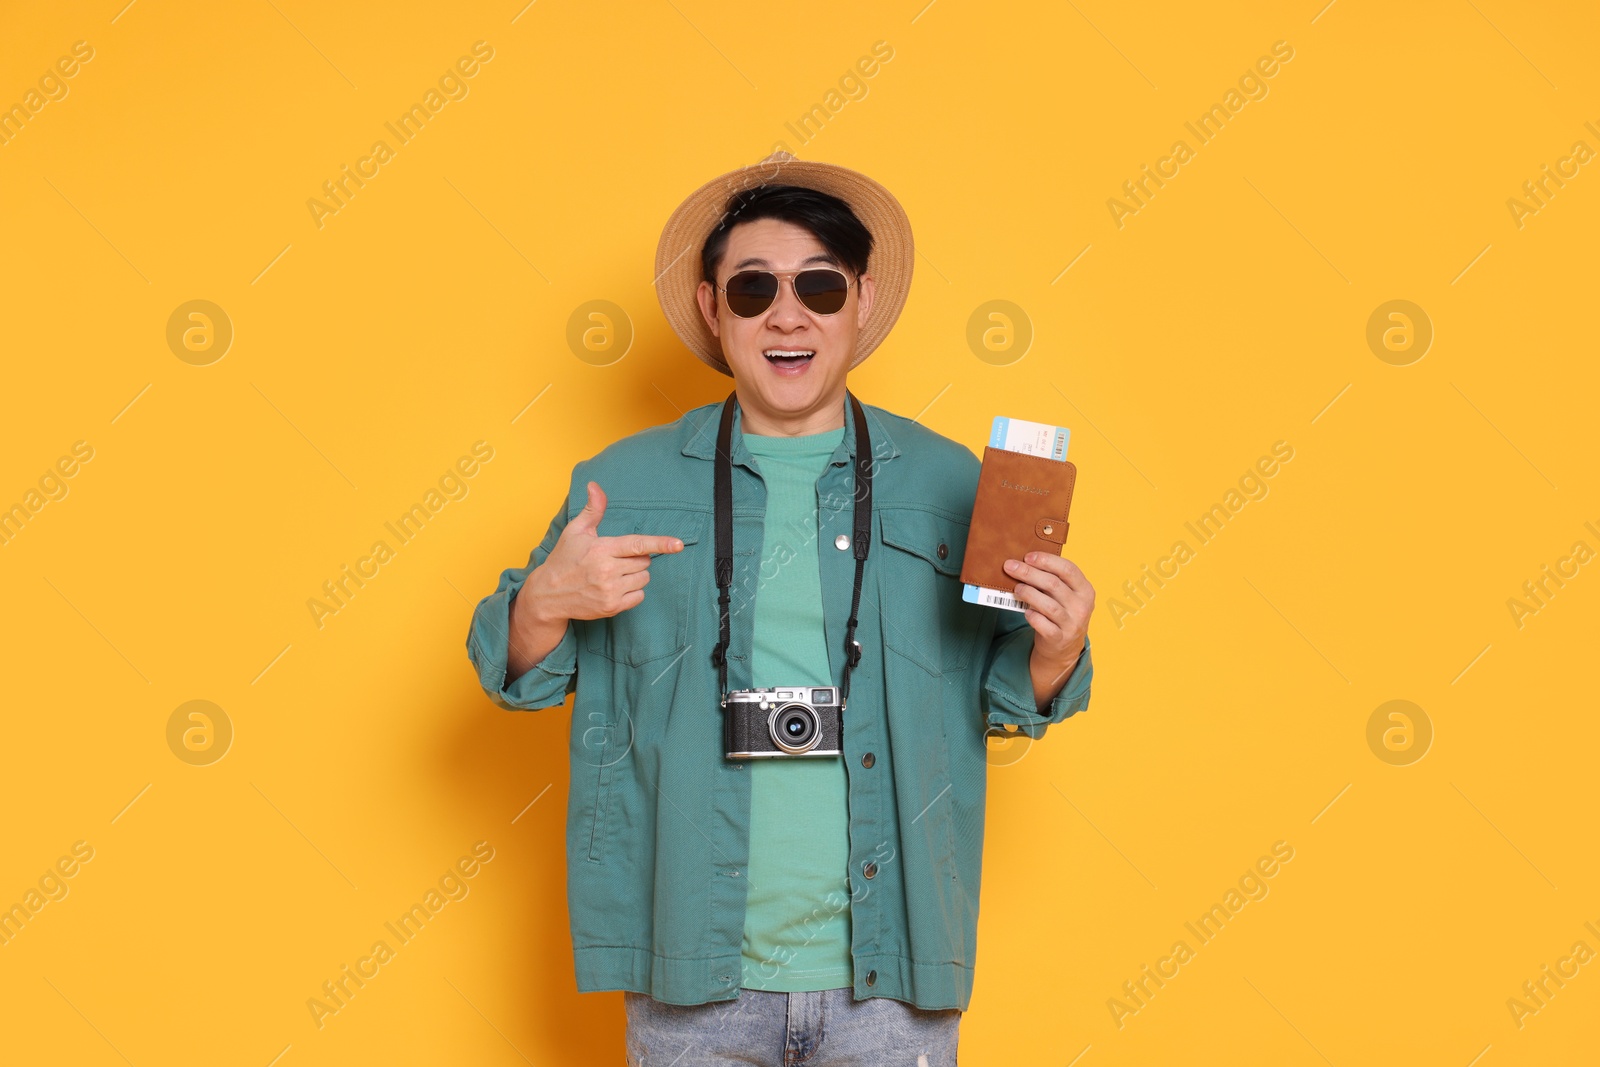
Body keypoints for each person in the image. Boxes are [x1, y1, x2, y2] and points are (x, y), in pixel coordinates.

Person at [465, 151, 1097, 1066]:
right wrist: (542, 606)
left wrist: (1059, 646)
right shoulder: (621, 484)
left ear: (863, 302)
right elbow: (514, 676)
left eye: (819, 287)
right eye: (754, 287)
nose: (787, 313)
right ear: (714, 309)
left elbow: (1011, 701)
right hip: (690, 972)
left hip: (892, 977)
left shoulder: (952, 484)